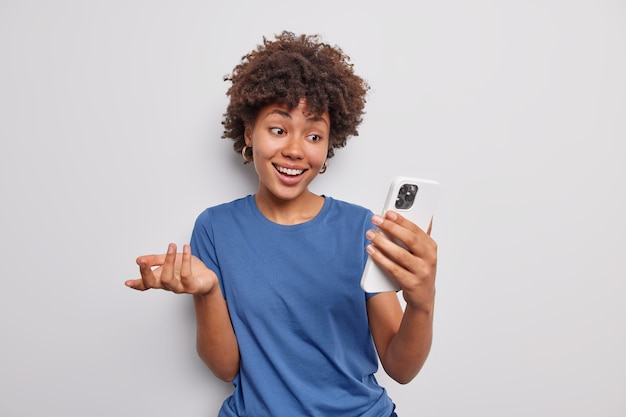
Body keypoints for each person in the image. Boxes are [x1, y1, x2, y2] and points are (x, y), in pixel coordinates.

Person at [125, 31, 437, 417]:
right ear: (247, 133)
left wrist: (422, 302)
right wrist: (206, 293)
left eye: (313, 135)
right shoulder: (215, 228)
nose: (294, 148)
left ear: (327, 147)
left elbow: (400, 367)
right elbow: (225, 367)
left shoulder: (362, 229)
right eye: (278, 129)